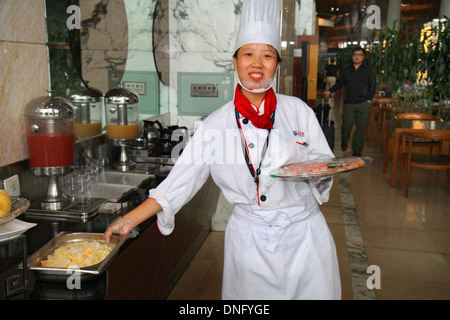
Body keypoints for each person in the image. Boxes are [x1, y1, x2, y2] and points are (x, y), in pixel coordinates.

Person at [105, 0, 341, 300]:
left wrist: (318, 173)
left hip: (305, 237)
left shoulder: (298, 112)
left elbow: (323, 162)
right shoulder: (216, 125)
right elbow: (180, 181)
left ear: (277, 64)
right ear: (234, 61)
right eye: (248, 54)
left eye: (267, 55)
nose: (257, 64)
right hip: (249, 243)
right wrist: (129, 219)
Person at [324, 47, 376, 156]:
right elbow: (339, 83)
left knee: (360, 128)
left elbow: (373, 86)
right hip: (349, 104)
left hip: (363, 104)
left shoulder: (368, 71)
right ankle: (344, 140)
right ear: (352, 56)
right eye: (355, 54)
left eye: (360, 55)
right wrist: (330, 91)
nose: (357, 56)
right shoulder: (346, 71)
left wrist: (368, 100)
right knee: (346, 126)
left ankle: (357, 151)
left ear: (363, 57)